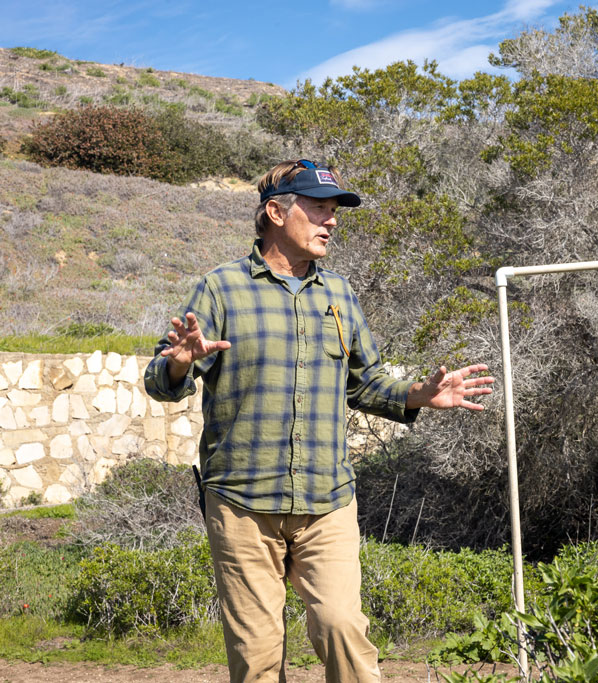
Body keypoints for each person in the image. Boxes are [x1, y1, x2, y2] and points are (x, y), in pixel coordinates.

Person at [144, 159, 495, 683]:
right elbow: (158, 380)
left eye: (334, 211)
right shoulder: (220, 289)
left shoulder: (340, 295)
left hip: (327, 499)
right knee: (258, 658)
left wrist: (420, 395)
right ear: (275, 212)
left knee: (342, 630)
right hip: (241, 503)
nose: (331, 221)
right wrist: (180, 361)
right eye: (318, 209)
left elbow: (366, 383)